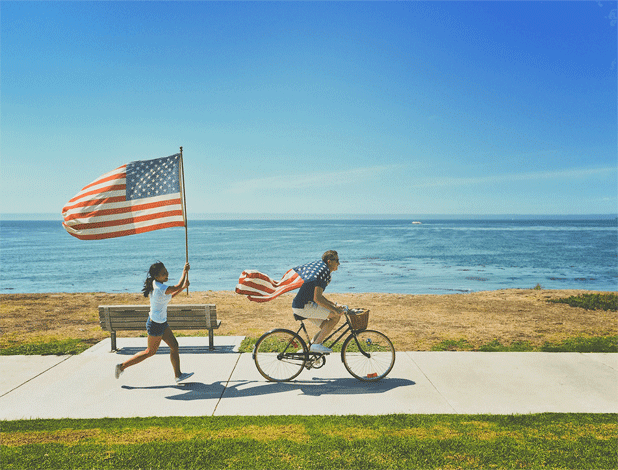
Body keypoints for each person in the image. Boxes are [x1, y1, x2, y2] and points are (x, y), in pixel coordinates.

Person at [115, 261, 194, 384]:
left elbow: (170, 296)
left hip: (161, 323)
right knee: (149, 352)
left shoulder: (157, 284)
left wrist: (183, 288)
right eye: (163, 273)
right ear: (156, 276)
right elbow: (176, 287)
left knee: (174, 346)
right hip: (155, 325)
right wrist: (184, 271)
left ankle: (178, 375)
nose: (166, 274)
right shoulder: (159, 288)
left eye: (166, 272)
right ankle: (121, 367)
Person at [291, 250, 344, 353]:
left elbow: (319, 297)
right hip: (304, 306)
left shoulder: (322, 271)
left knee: (326, 326)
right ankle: (316, 345)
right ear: (329, 261)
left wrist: (334, 305)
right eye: (337, 260)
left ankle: (308, 349)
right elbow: (317, 299)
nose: (339, 263)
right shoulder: (322, 273)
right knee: (335, 316)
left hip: (302, 305)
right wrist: (335, 310)